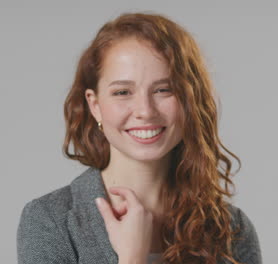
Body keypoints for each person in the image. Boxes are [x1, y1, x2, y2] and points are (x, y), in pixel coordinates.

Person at [17, 12, 262, 264]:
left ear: (190, 100)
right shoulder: (50, 220)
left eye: (163, 90)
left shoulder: (233, 229)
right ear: (95, 105)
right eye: (123, 92)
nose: (145, 111)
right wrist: (132, 257)